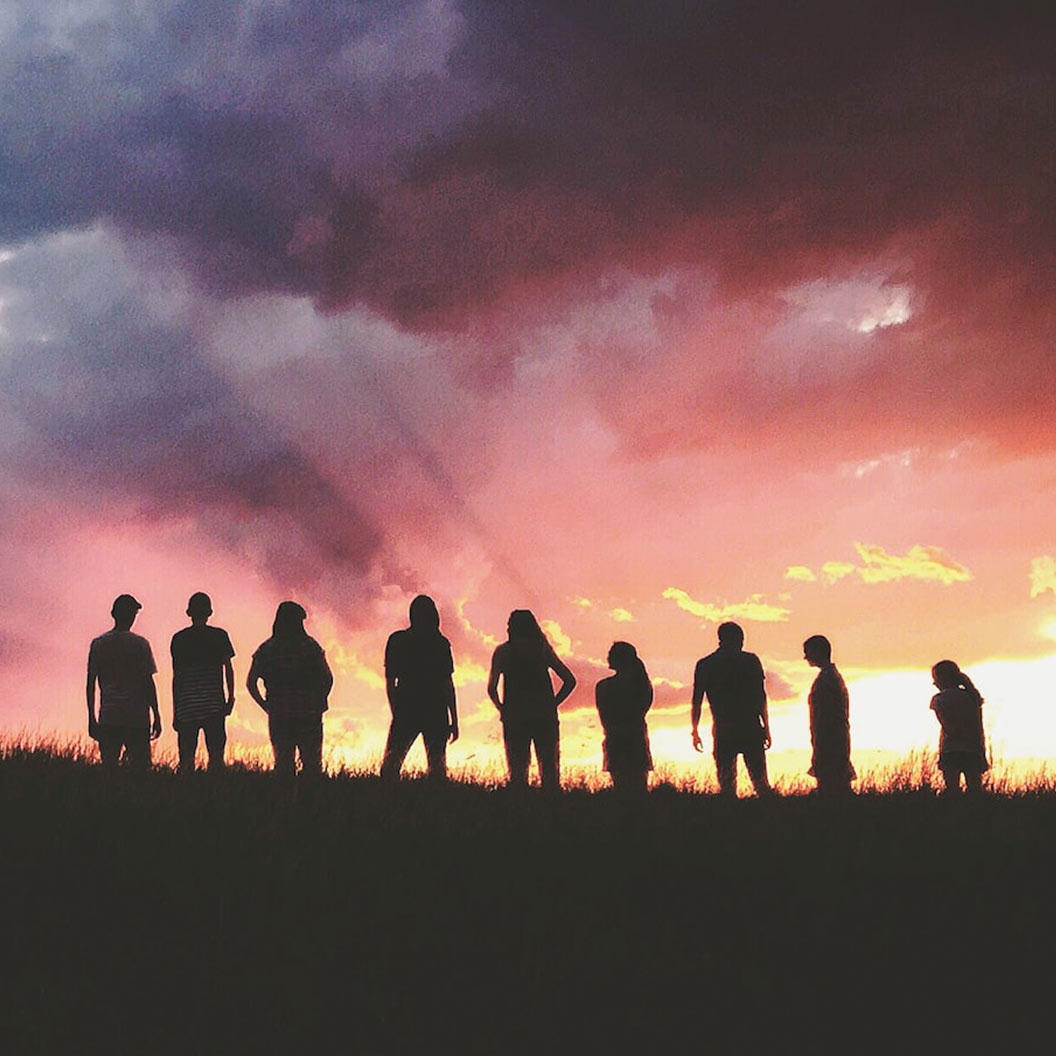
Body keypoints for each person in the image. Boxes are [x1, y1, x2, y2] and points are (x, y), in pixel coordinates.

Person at [487, 610, 576, 790]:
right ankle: (552, 810)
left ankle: (520, 810)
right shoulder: (543, 650)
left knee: (517, 772)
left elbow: (491, 688)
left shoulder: (503, 652)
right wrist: (552, 704)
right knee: (550, 771)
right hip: (544, 717)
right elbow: (570, 680)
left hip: (515, 717)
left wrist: (501, 708)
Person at [247, 601, 333, 778]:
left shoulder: (267, 649)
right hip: (309, 714)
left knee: (284, 765)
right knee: (312, 766)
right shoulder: (310, 646)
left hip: (279, 713)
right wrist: (319, 702)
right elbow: (328, 678)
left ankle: (285, 802)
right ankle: (313, 802)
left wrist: (265, 706)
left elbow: (251, 682)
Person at [381, 595, 459, 782]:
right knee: (437, 768)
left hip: (409, 707)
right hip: (434, 709)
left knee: (392, 765)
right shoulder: (440, 643)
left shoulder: (398, 640)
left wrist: (396, 711)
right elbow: (447, 684)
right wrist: (454, 719)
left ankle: (386, 802)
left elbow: (391, 681)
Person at [691, 621, 772, 797]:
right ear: (738, 639)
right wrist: (766, 727)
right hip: (750, 727)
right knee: (761, 783)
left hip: (723, 729)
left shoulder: (705, 664)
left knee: (727, 786)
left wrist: (695, 730)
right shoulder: (750, 661)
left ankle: (729, 819)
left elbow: (697, 700)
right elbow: (760, 697)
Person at [86, 594, 161, 770]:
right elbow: (148, 683)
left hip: (109, 716)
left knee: (109, 770)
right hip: (137, 718)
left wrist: (91, 717)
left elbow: (91, 684)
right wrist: (156, 714)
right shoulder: (141, 644)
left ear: (114, 614)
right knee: (141, 772)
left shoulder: (99, 644)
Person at [170, 592, 236, 773]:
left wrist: (175, 711)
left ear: (189, 613)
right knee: (216, 758)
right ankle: (215, 795)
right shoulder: (220, 636)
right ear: (209, 612)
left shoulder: (179, 639)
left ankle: (188, 796)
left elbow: (177, 677)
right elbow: (228, 669)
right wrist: (231, 697)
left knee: (186, 760)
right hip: (214, 705)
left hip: (187, 706)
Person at [595, 641, 654, 792]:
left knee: (620, 787)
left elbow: (604, 716)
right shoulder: (642, 684)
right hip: (635, 736)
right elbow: (642, 710)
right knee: (639, 787)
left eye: (610, 654)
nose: (607, 657)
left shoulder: (603, 686)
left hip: (615, 737)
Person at [803, 634, 855, 795]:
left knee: (831, 783)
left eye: (808, 652)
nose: (805, 657)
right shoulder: (831, 677)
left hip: (829, 738)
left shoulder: (827, 679)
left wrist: (820, 739)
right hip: (831, 737)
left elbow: (825, 716)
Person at [930, 660, 989, 795]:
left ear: (942, 679)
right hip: (973, 749)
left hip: (951, 749)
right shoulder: (972, 697)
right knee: (975, 791)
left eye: (935, 679)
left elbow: (947, 725)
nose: (934, 683)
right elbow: (979, 728)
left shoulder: (939, 699)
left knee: (952, 791)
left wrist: (957, 735)